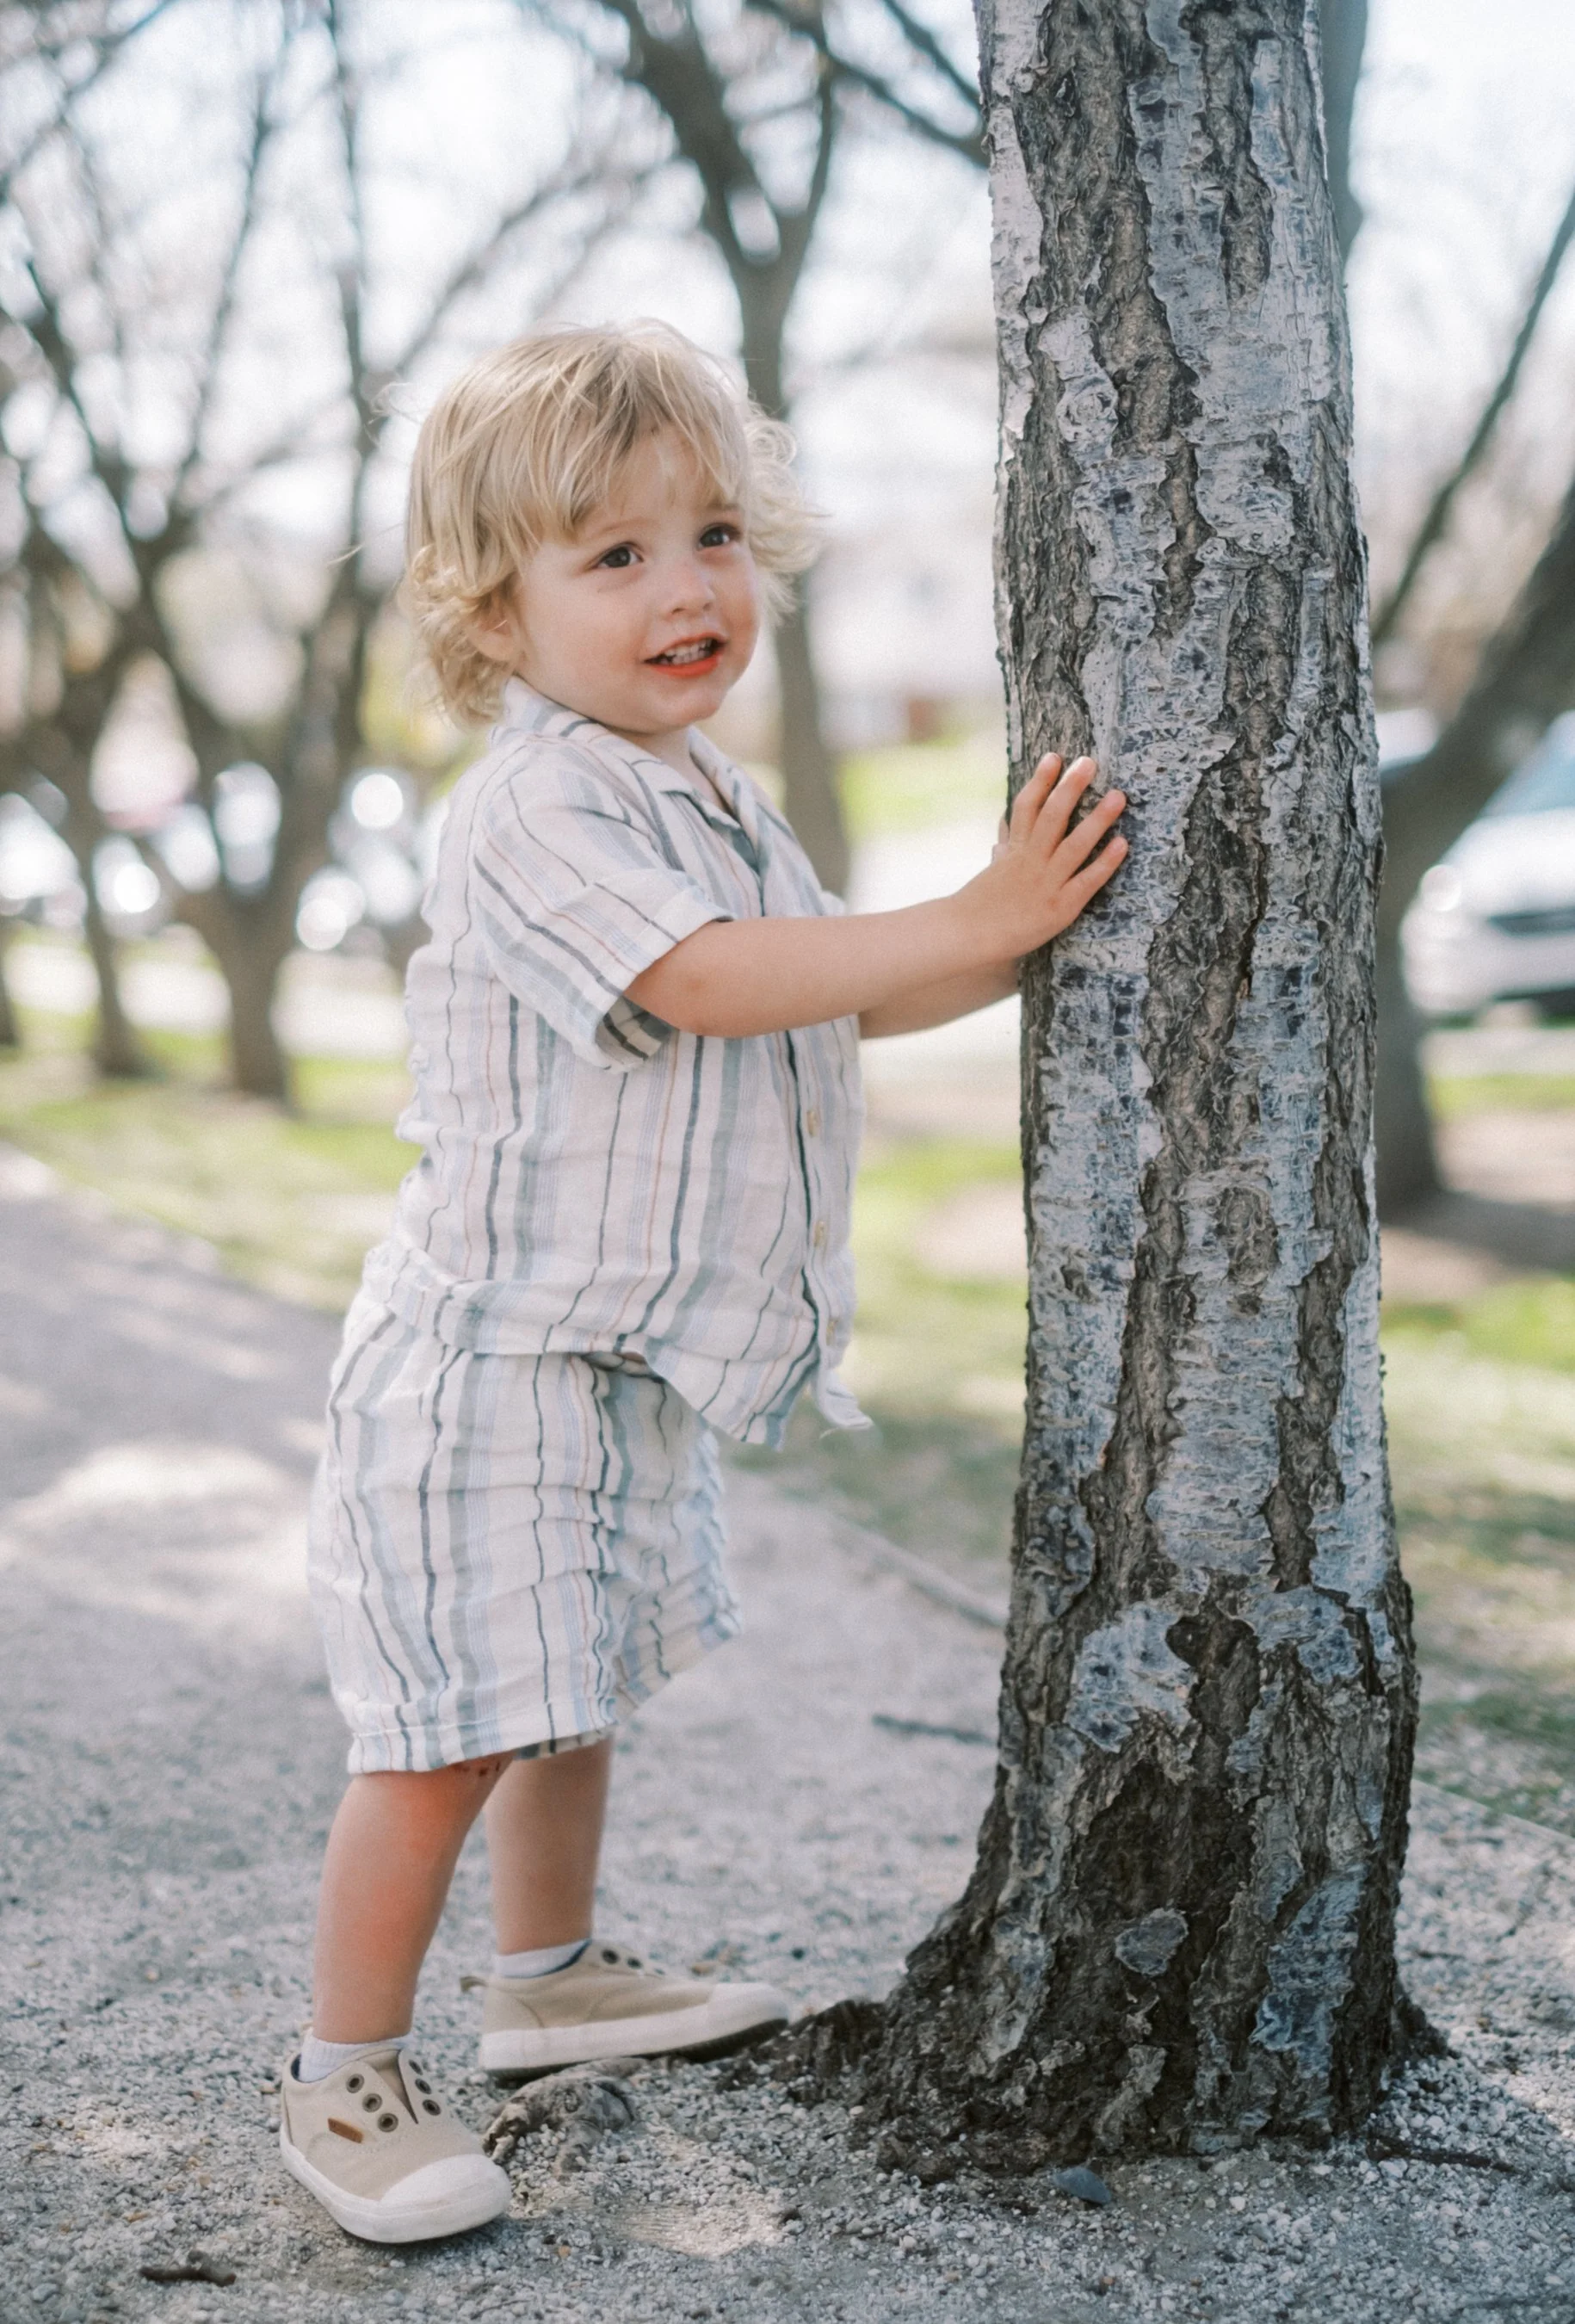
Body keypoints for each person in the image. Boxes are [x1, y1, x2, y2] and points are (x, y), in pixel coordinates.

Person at [278, 322, 1128, 2244]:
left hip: (617, 1364)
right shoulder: (535, 804)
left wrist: (1016, 935)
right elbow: (707, 984)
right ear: (491, 615)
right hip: (488, 1365)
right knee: (448, 1730)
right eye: (615, 554)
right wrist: (977, 908)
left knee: (569, 1691)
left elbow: (845, 982)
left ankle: (547, 1976)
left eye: (717, 534)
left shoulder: (713, 795)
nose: (690, 588)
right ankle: (341, 2078)